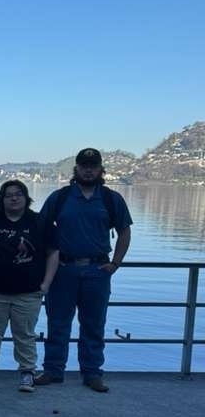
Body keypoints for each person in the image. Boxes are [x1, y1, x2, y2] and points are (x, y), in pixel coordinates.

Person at [36, 148, 132, 392]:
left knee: (94, 324)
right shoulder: (60, 197)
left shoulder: (112, 199)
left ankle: (92, 373)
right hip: (63, 270)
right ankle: (52, 370)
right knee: (57, 322)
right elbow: (41, 230)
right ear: (76, 169)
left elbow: (124, 232)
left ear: (101, 169)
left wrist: (115, 264)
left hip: (97, 270)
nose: (88, 169)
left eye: (93, 165)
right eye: (83, 165)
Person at [0, 180, 59, 393]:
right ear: (2, 199)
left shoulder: (40, 223)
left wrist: (45, 284)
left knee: (25, 334)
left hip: (28, 292)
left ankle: (27, 372)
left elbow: (54, 253)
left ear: (26, 198)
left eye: (18, 194)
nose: (14, 198)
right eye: (9, 195)